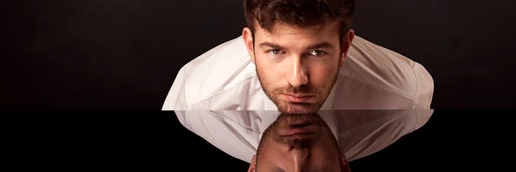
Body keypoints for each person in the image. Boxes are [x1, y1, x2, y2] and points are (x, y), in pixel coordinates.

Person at [162, 0, 434, 112]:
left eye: (316, 52)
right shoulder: (197, 98)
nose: (297, 79)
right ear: (249, 44)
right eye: (276, 52)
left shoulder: (406, 96)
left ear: (345, 46)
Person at [172, 109, 434, 168]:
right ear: (343, 165)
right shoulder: (403, 111)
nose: (298, 155)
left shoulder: (199, 110)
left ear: (252, 167)